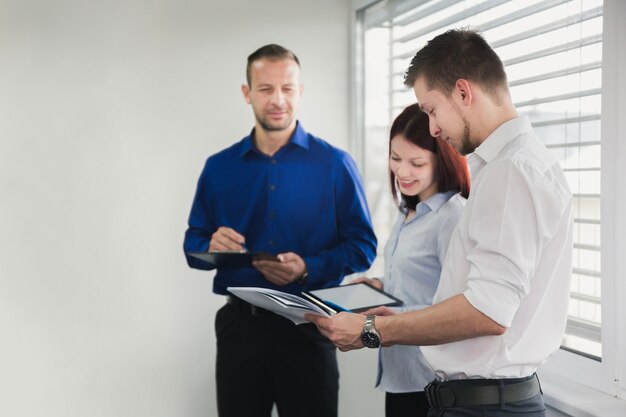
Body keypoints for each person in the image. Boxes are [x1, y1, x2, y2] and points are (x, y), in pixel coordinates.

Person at [307, 28, 573, 417]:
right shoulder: (520, 163)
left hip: (484, 406)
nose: (432, 128)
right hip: (485, 401)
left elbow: (488, 311)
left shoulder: (510, 171)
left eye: (431, 109)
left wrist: (372, 331)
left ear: (464, 92)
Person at [183, 44, 377, 417]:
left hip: (310, 326)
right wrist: (209, 244)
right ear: (247, 93)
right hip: (240, 330)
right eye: (266, 88)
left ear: (300, 92)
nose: (278, 100)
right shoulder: (218, 168)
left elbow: (363, 246)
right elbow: (192, 245)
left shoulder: (335, 164)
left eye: (287, 89)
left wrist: (307, 267)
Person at [353, 103, 470, 417]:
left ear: (442, 160)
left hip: (432, 382)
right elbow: (420, 281)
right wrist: (376, 286)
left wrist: (394, 316)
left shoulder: (452, 216)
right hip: (401, 373)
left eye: (416, 162)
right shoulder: (410, 211)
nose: (402, 172)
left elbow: (462, 304)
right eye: (395, 158)